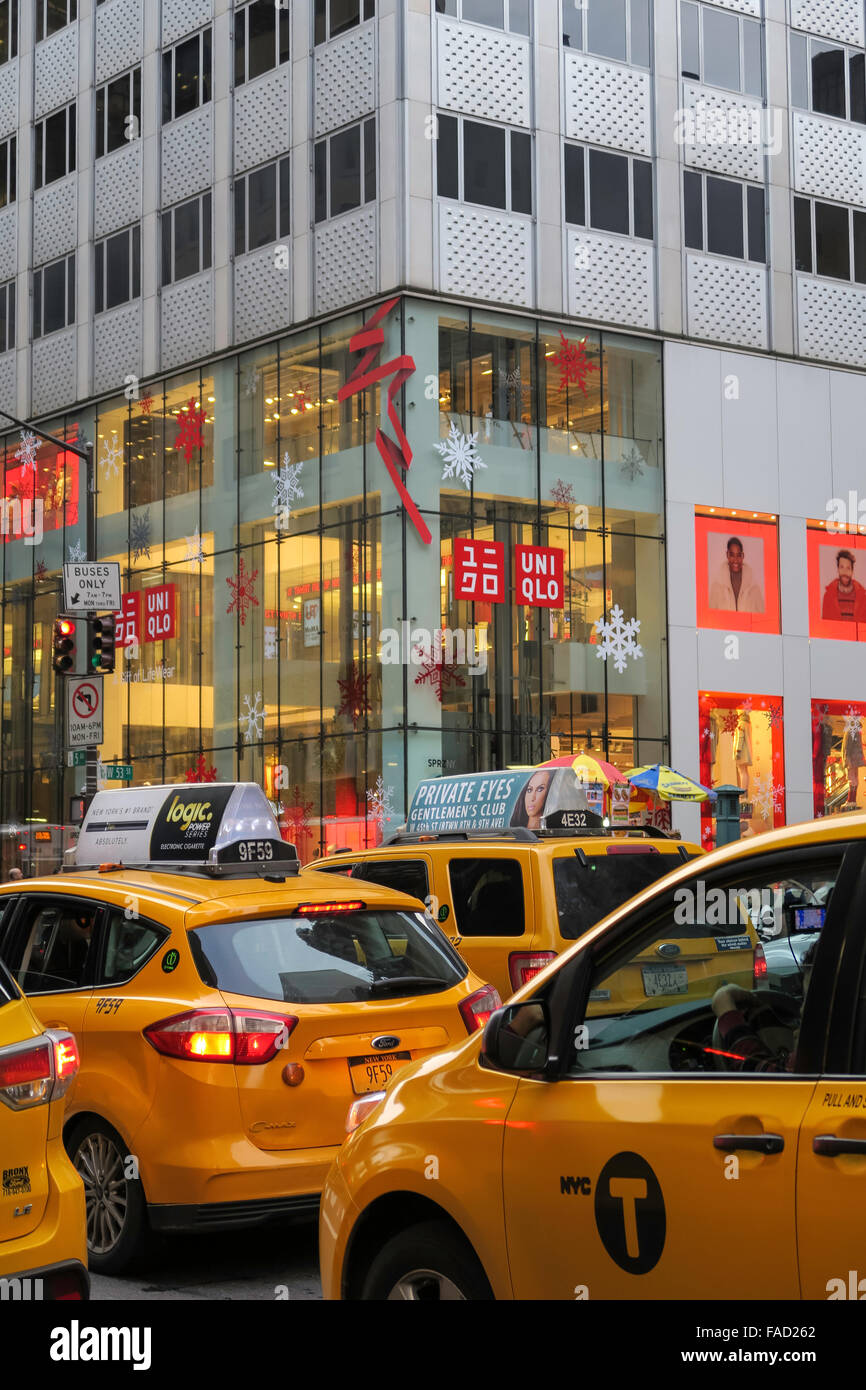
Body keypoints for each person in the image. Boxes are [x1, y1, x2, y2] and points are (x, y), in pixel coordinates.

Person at [708, 537, 765, 613]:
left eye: (738, 555)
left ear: (742, 556)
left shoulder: (754, 588)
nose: (735, 560)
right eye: (732, 555)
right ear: (727, 555)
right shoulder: (716, 587)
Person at [821, 549, 866, 623]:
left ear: (852, 571)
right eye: (842, 567)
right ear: (838, 569)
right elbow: (825, 626)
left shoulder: (863, 598)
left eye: (848, 568)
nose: (845, 572)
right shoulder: (828, 596)